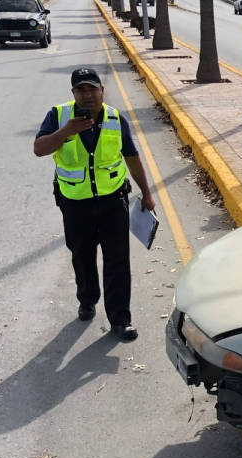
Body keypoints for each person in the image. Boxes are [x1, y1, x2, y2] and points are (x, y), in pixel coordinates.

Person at [33, 68, 155, 342]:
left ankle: (120, 320)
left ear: (102, 90)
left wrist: (146, 193)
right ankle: (87, 299)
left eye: (92, 89)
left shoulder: (115, 118)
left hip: (113, 202)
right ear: (73, 93)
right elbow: (40, 148)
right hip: (76, 205)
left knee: (118, 262)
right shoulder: (59, 116)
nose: (87, 95)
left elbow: (131, 156)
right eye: (81, 90)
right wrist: (66, 131)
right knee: (82, 257)